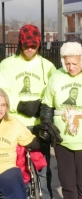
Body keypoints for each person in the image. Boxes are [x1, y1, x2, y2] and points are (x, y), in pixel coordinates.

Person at [41, 36, 82, 199]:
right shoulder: (56, 76)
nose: (70, 67)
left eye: (74, 63)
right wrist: (47, 124)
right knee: (68, 187)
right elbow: (47, 104)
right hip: (63, 141)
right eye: (66, 63)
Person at [0, 24, 56, 199]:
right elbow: (3, 90)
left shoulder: (47, 66)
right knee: (18, 170)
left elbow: (53, 91)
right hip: (15, 125)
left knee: (42, 168)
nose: (30, 49)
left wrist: (42, 107)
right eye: (26, 45)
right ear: (20, 43)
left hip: (38, 125)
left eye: (34, 45)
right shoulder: (7, 64)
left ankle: (45, 196)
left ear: (39, 44)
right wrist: (21, 105)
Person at [0, 88, 48, 199]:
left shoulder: (13, 123)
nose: (0, 109)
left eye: (3, 105)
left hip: (7, 169)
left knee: (17, 192)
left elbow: (32, 142)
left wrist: (44, 138)